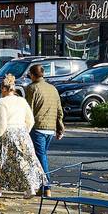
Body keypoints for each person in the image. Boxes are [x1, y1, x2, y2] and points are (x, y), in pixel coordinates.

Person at [0, 73, 48, 197]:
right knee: (25, 161)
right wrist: (24, 132)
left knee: (3, 162)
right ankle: (30, 188)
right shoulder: (22, 101)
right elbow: (31, 120)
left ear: (3, 89)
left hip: (9, 133)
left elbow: (2, 122)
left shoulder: (2, 102)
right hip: (22, 133)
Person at [23, 63, 64, 193]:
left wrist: (24, 126)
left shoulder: (31, 88)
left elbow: (28, 109)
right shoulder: (53, 89)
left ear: (33, 75)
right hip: (50, 128)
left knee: (41, 157)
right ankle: (40, 186)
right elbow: (59, 110)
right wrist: (59, 129)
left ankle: (46, 186)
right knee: (40, 156)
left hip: (38, 127)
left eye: (30, 74)